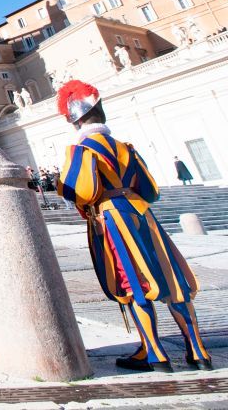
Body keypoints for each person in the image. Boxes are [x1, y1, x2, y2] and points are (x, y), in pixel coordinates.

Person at [56, 80, 212, 373]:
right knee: (170, 277)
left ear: (74, 119)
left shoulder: (80, 150)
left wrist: (63, 188)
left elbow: (80, 191)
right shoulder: (126, 147)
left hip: (113, 218)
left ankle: (153, 353)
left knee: (132, 280)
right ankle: (198, 350)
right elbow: (151, 190)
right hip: (143, 216)